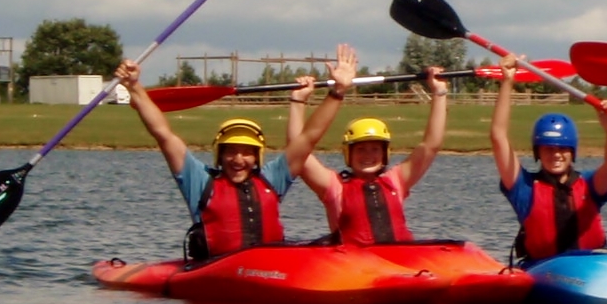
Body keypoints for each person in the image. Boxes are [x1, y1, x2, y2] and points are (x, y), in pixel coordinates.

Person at [115, 48, 356, 260]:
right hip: (218, 271)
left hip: (273, 270)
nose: (238, 160)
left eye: (246, 153)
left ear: (257, 156)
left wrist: (337, 92)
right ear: (219, 155)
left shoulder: (272, 179)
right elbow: (164, 134)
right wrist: (135, 87)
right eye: (231, 152)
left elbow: (309, 137)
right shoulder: (200, 182)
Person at [288, 51, 449, 245]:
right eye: (361, 149)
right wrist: (298, 100)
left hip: (400, 260)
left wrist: (439, 93)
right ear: (349, 153)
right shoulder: (334, 186)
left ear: (384, 154)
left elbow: (431, 145)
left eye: (374, 149)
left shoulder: (396, 181)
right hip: (355, 266)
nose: (368, 156)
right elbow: (297, 150)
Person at [490, 54, 607, 263]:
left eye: (563, 149)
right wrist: (507, 82)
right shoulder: (524, 188)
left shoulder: (589, 185)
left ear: (572, 152)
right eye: (548, 149)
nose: (556, 154)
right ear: (538, 152)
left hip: (591, 268)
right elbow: (498, 137)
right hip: (542, 271)